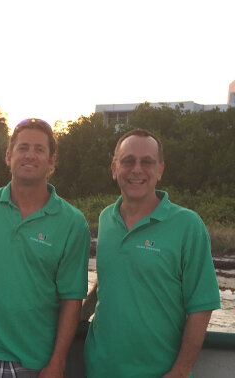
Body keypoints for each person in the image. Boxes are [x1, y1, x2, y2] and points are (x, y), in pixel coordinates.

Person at [0, 118, 90, 377]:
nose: (30, 155)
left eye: (39, 149)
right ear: (8, 156)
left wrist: (57, 361)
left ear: (52, 162)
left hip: (41, 359)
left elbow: (72, 299)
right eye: (23, 147)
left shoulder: (72, 222)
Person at [83, 129, 221, 377]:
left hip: (159, 372)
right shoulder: (106, 219)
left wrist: (180, 371)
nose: (137, 169)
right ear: (114, 169)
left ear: (160, 170)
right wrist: (78, 319)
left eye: (147, 162)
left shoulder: (188, 225)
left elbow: (202, 307)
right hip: (99, 368)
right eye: (127, 161)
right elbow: (108, 278)